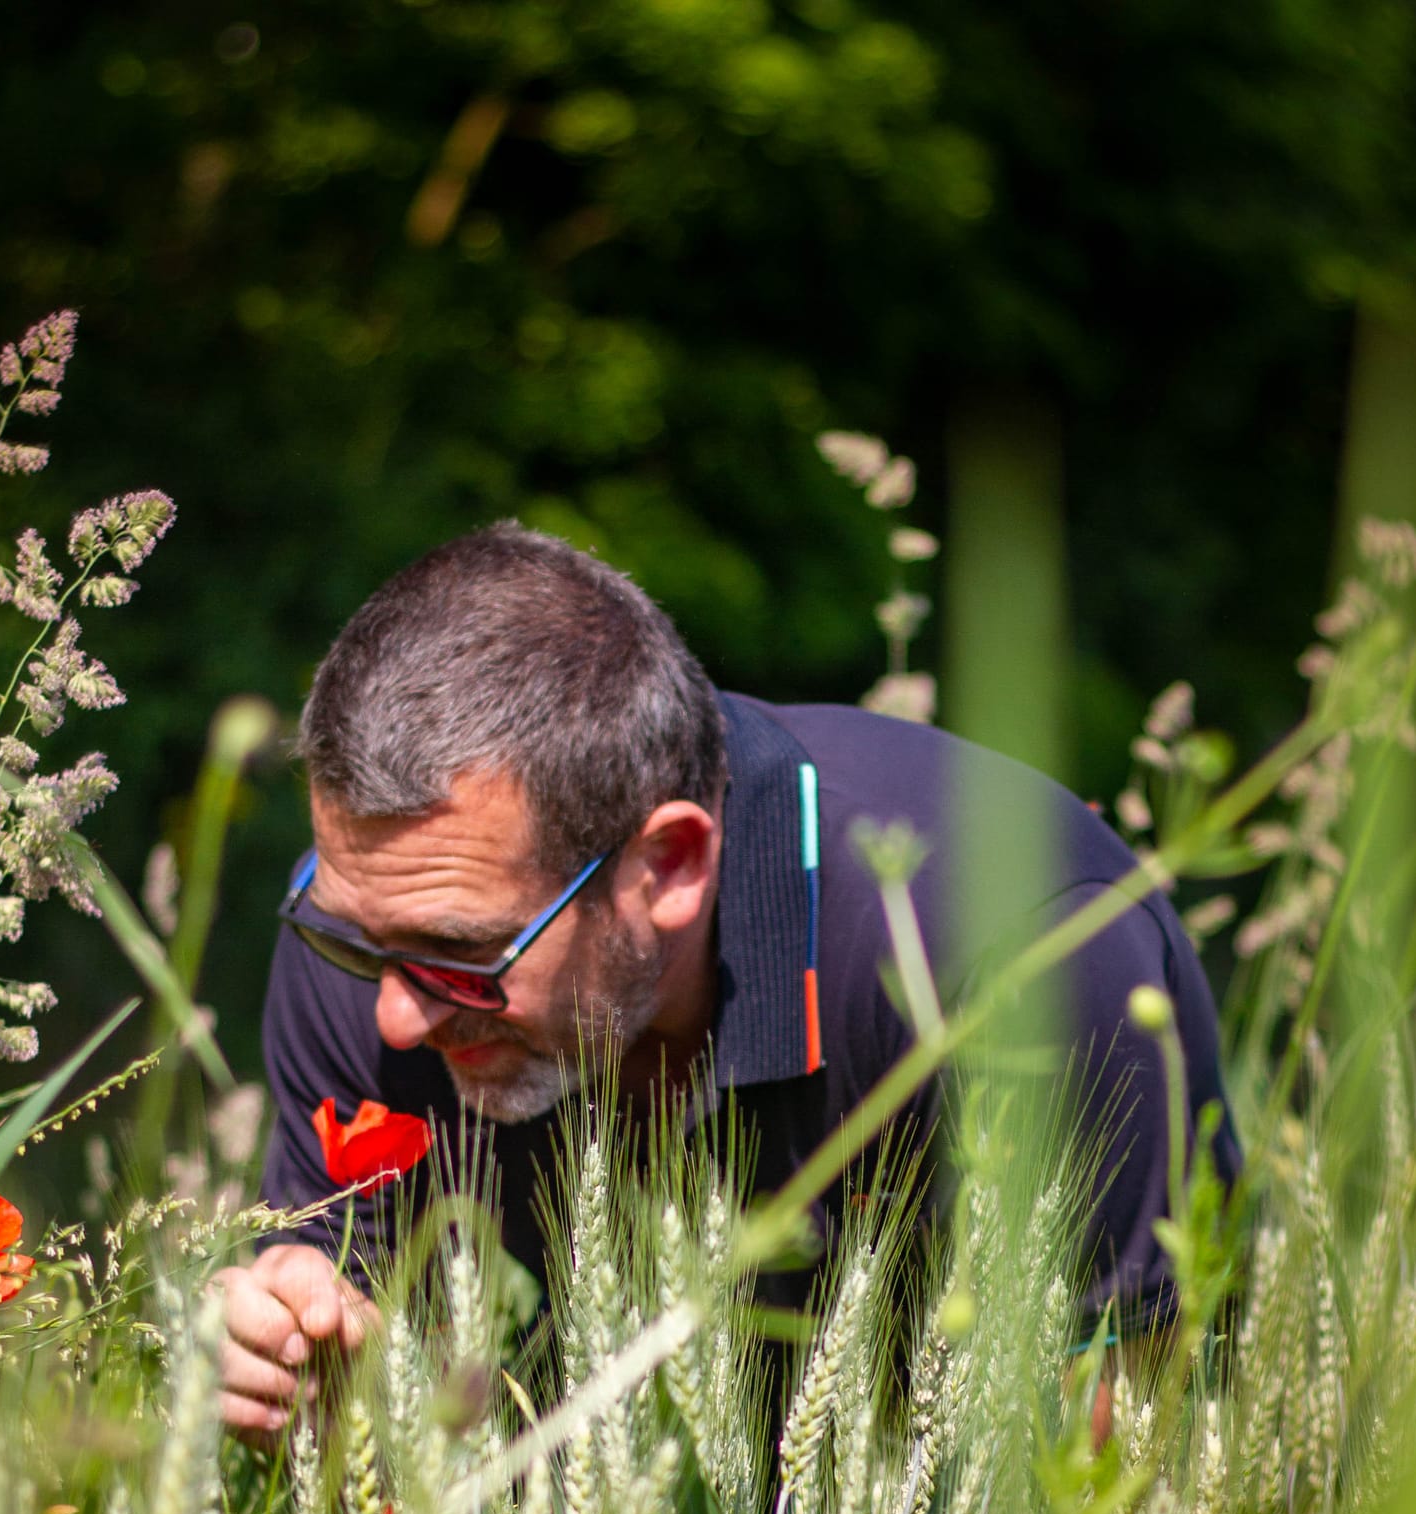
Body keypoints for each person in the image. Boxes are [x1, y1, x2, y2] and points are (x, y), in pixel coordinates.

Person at [216, 523, 1238, 1439]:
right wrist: (295, 1353)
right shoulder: (380, 928)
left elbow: (1111, 1446)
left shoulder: (1016, 944)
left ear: (666, 866)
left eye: (462, 955)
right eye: (359, 943)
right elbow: (376, 1360)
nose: (394, 1015)